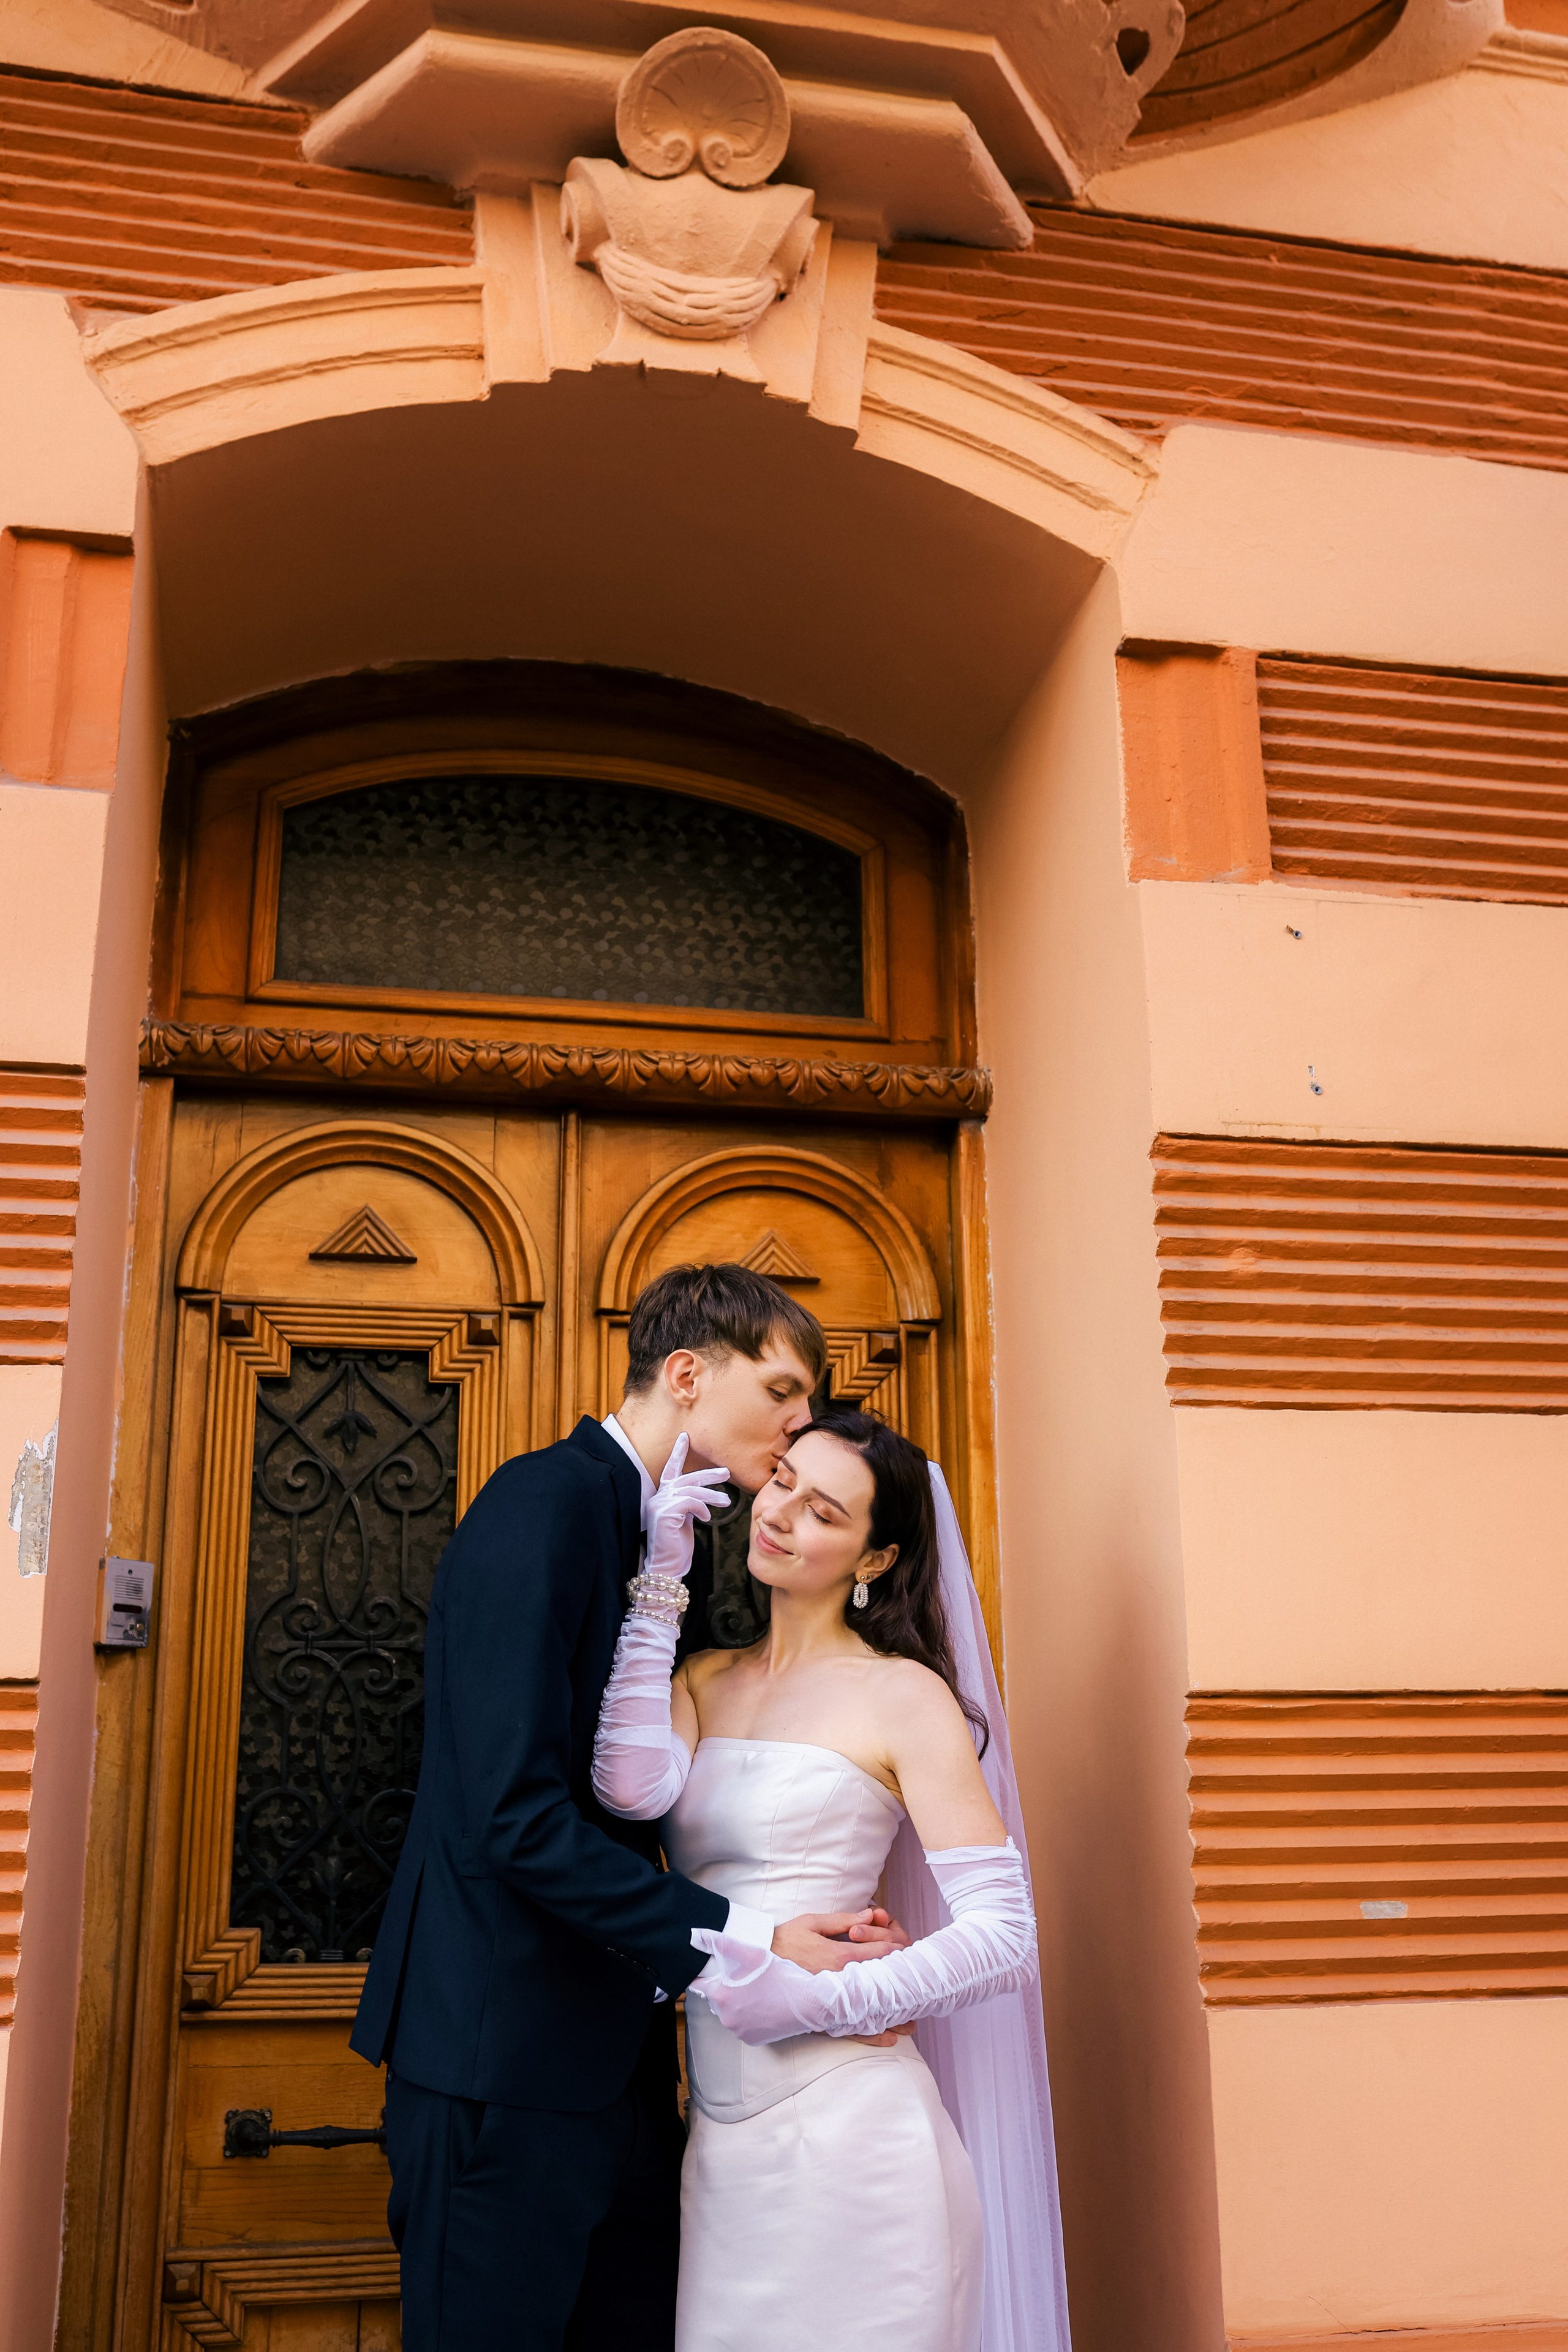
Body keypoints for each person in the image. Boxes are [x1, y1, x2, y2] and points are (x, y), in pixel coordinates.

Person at [351, 1265, 910, 2352]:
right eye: (785, 1392)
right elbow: (511, 1819)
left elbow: (636, 1792)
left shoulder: (677, 1539)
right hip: (497, 2067)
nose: (803, 1426)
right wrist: (752, 1940)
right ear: (690, 1375)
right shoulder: (543, 1504)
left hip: (622, 2075)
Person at [592, 1406, 1073, 2352]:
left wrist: (829, 1998)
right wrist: (660, 1579)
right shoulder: (701, 1680)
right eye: (781, 1484)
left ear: (873, 1560)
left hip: (859, 2144)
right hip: (723, 2152)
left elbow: (1006, 1937)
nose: (779, 1515)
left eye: (823, 1512)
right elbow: (627, 1785)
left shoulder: (904, 1694)